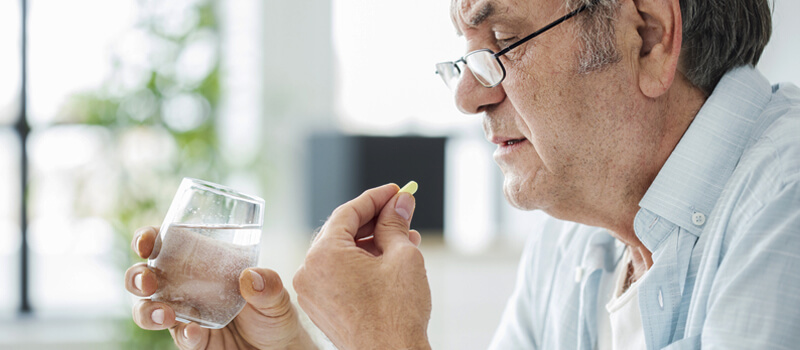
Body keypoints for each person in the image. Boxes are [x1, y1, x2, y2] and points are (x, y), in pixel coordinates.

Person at [125, 0, 800, 348]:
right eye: (468, 57)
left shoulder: (787, 203)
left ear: (648, 35)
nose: (467, 95)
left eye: (502, 42)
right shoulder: (574, 241)